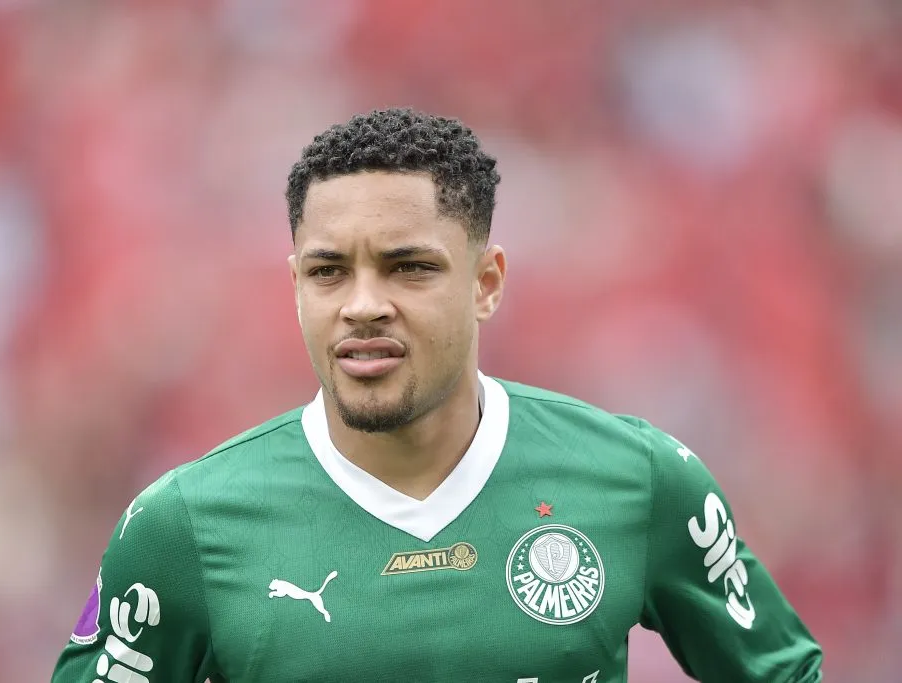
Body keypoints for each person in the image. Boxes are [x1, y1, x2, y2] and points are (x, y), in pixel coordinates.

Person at [51, 107, 822, 682]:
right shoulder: (180, 527)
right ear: (295, 287)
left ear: (485, 283)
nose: (362, 304)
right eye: (328, 272)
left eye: (408, 267)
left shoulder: (641, 478)